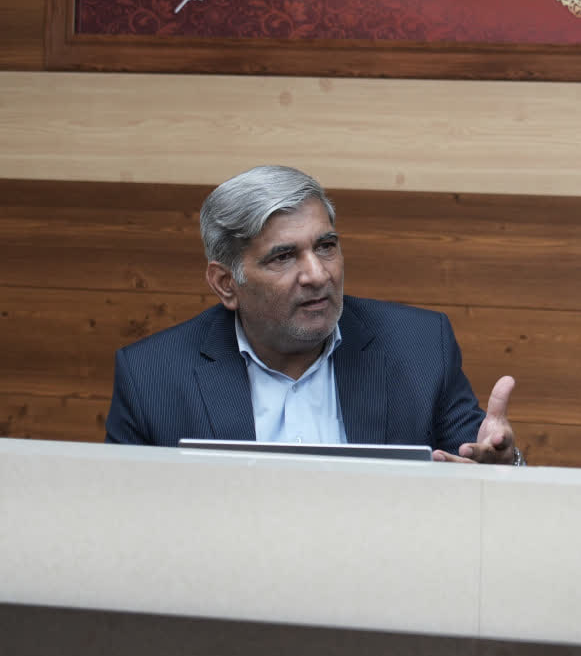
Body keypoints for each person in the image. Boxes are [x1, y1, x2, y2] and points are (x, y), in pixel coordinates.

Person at [105, 165, 521, 465]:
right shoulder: (151, 377)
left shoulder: (420, 347)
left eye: (325, 246)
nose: (318, 274)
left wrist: (504, 466)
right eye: (283, 257)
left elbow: (477, 461)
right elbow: (120, 518)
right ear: (226, 284)